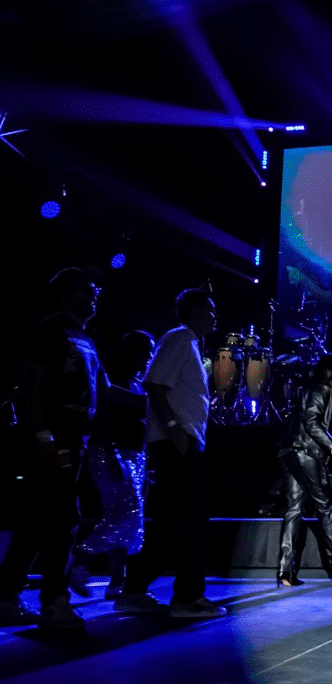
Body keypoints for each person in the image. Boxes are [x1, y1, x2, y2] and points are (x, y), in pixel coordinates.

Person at [0, 268, 105, 632]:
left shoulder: (84, 337)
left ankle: (6, 597)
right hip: (52, 440)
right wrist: (43, 438)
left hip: (76, 440)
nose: (93, 294)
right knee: (63, 520)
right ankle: (55, 603)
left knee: (37, 521)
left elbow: (102, 390)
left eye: (95, 289)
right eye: (86, 288)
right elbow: (30, 387)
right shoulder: (49, 331)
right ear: (63, 293)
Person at [114, 289, 226, 618]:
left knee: (168, 522)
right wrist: (176, 428)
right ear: (191, 310)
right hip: (177, 443)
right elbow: (154, 384)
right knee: (190, 521)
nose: (214, 316)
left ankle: (134, 591)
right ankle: (187, 598)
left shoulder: (188, 342)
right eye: (209, 308)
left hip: (180, 441)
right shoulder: (179, 339)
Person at [72, 330, 155, 598]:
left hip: (133, 455)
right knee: (125, 516)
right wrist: (115, 456)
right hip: (111, 453)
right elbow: (103, 421)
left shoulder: (135, 381)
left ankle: (117, 581)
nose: (150, 356)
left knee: (125, 518)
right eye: (146, 351)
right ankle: (80, 558)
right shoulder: (114, 380)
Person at [275, 353, 332, 586]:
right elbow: (312, 422)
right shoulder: (323, 391)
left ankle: (285, 571)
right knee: (325, 506)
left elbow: (316, 427)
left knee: (294, 509)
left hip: (291, 452)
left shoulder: (314, 391)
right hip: (305, 454)